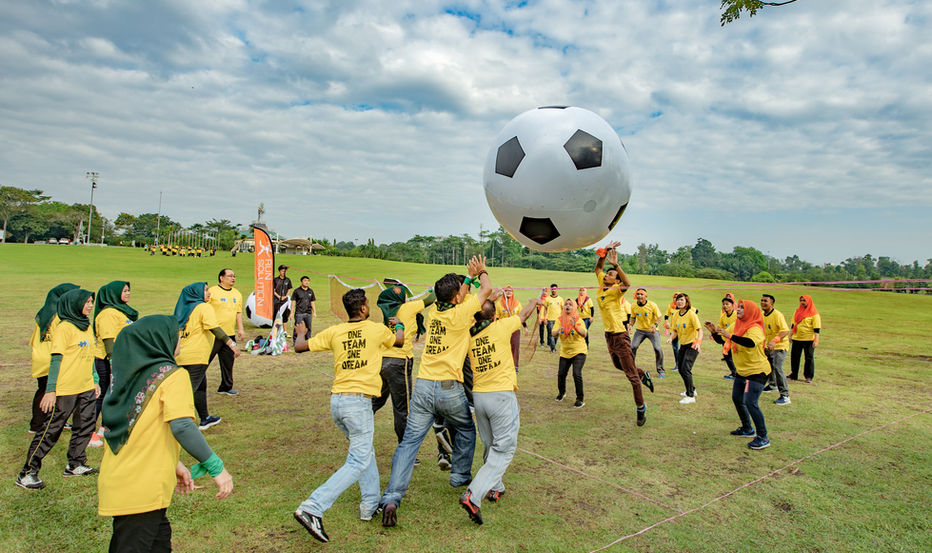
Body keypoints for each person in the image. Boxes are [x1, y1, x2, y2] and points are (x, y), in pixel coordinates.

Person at [98, 315, 234, 552]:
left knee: (160, 541)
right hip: (142, 488)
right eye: (177, 336)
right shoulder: (172, 375)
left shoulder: (128, 377)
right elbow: (182, 426)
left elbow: (140, 430)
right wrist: (216, 467)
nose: (180, 340)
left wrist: (175, 463)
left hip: (122, 481)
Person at [379, 256, 492, 528]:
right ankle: (459, 476)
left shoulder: (437, 312)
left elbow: (460, 296)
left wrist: (466, 280)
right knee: (466, 430)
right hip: (448, 388)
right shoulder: (460, 314)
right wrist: (481, 272)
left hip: (423, 386)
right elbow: (485, 291)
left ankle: (392, 499)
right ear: (456, 299)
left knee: (408, 443)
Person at [293, 289, 404, 542]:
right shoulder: (376, 330)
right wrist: (400, 325)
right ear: (364, 309)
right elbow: (399, 341)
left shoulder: (335, 331)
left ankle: (369, 505)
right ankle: (313, 507)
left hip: (338, 403)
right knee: (357, 460)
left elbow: (300, 347)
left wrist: (301, 334)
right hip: (358, 403)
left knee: (364, 453)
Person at [459, 293, 539, 525]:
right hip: (501, 396)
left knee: (491, 443)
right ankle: (473, 496)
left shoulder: (470, 335)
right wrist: (534, 301)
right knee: (504, 449)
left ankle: (496, 486)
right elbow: (523, 314)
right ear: (494, 316)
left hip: (480, 397)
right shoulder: (501, 326)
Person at [17, 288, 100, 490]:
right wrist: (51, 390)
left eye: (91, 302)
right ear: (74, 304)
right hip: (66, 388)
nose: (90, 306)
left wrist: (95, 379)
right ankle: (28, 473)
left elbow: (90, 357)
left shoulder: (86, 326)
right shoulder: (64, 328)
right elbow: (56, 359)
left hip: (86, 386)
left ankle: (76, 463)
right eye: (87, 302)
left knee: (86, 425)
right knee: (51, 430)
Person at [595, 242, 652, 426]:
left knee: (631, 376)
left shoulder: (616, 291)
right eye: (607, 274)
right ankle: (643, 374)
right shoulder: (602, 284)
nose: (606, 276)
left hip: (620, 336)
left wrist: (616, 265)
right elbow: (598, 268)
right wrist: (604, 251)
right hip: (609, 336)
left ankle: (641, 408)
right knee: (619, 366)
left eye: (611, 275)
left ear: (616, 280)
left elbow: (627, 284)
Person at [705, 300, 772, 449]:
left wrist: (730, 336)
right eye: (739, 307)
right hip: (742, 371)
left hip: (757, 371)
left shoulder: (755, 328)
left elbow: (750, 343)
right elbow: (721, 339)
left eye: (742, 308)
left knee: (750, 402)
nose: (739, 309)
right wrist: (714, 331)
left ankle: (763, 437)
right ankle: (747, 429)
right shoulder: (736, 325)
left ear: (750, 311)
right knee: (737, 398)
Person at [174, 282, 240, 430]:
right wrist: (232, 345)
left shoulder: (182, 309)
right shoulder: (204, 307)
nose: (209, 293)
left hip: (181, 356)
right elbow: (215, 328)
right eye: (205, 290)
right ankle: (173, 422)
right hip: (197, 356)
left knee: (200, 387)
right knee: (187, 391)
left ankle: (205, 418)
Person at [373, 283, 433, 446]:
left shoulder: (388, 312)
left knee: (375, 400)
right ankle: (405, 449)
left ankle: (356, 426)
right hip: (400, 362)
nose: (406, 297)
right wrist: (433, 290)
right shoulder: (408, 308)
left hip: (383, 360)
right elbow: (431, 300)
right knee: (403, 409)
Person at [89, 281, 139, 447]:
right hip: (105, 360)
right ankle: (89, 433)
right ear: (113, 294)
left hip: (118, 359)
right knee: (101, 395)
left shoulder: (120, 311)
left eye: (128, 290)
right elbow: (108, 340)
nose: (128, 294)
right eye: (124, 291)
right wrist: (113, 362)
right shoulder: (108, 313)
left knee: (112, 394)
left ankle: (105, 426)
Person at [28, 283, 78, 434]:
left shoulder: (43, 313)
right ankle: (40, 425)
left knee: (43, 390)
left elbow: (34, 340)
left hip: (41, 358)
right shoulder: (61, 316)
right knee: (51, 392)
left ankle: (39, 424)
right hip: (53, 358)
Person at [208, 269, 245, 396]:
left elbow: (238, 313)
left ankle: (226, 387)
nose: (233, 278)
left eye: (234, 276)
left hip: (229, 333)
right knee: (204, 361)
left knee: (228, 362)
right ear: (221, 278)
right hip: (214, 333)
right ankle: (193, 384)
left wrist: (240, 329)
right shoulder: (212, 291)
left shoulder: (237, 294)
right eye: (229, 276)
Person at [553, 298, 588, 408]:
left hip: (579, 351)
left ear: (574, 307)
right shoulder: (559, 320)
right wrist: (557, 332)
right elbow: (553, 333)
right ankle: (561, 393)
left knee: (576, 373)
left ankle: (580, 399)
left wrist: (575, 326)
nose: (568, 306)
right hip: (565, 352)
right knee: (561, 374)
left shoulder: (578, 319)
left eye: (570, 304)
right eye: (566, 305)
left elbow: (584, 334)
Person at [668, 292, 702, 404]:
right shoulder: (676, 315)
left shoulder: (692, 314)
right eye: (678, 300)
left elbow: (699, 330)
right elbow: (675, 331)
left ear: (687, 302)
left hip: (693, 344)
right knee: (681, 369)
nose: (679, 302)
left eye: (682, 300)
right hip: (683, 345)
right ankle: (692, 389)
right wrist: (671, 338)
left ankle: (690, 396)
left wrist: (698, 342)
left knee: (685, 369)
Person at [761, 294, 791, 405]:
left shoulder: (777, 315)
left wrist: (775, 340)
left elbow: (785, 331)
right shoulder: (761, 315)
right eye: (762, 300)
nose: (763, 303)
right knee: (769, 366)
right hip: (768, 346)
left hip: (780, 346)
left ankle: (785, 396)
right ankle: (772, 385)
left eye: (766, 301)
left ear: (772, 303)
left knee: (778, 368)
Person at [629, 288, 665, 378]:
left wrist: (655, 325)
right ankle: (630, 368)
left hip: (652, 330)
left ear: (646, 296)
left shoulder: (652, 305)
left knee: (657, 348)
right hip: (640, 330)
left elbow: (659, 317)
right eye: (638, 294)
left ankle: (660, 370)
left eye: (642, 294)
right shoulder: (633, 306)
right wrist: (630, 325)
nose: (639, 296)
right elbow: (633, 318)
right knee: (633, 347)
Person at [789, 295, 821, 383]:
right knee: (794, 357)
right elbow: (793, 324)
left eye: (804, 300)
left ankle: (808, 376)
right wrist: (790, 335)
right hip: (797, 338)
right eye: (801, 300)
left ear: (809, 301)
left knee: (809, 358)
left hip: (809, 339)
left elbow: (817, 329)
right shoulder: (797, 311)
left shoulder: (814, 314)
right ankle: (794, 374)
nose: (802, 302)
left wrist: (816, 340)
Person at [496, 286, 523, 372]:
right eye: (506, 291)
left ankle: (515, 366)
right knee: (503, 347)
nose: (508, 293)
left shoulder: (517, 304)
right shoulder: (499, 304)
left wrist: (525, 328)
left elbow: (521, 316)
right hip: (502, 329)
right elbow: (496, 317)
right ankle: (502, 366)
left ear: (513, 292)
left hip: (515, 329)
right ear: (503, 292)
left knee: (515, 347)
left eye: (510, 291)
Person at [718, 294, 738, 380]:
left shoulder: (736, 315)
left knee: (734, 357)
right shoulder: (723, 316)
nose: (725, 306)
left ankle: (737, 373)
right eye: (723, 304)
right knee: (727, 356)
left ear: (733, 305)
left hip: (734, 340)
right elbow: (719, 327)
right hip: (726, 339)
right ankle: (734, 373)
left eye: (727, 304)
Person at [291, 276, 317, 342]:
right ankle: (296, 342)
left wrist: (314, 312)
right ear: (301, 282)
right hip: (299, 313)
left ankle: (308, 341)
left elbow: (312, 302)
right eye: (305, 280)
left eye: (308, 281)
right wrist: (291, 312)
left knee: (308, 328)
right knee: (298, 327)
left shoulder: (310, 291)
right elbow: (293, 302)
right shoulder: (297, 291)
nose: (306, 282)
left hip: (308, 313)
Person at [543, 284, 564, 353]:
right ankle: (553, 348)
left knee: (557, 334)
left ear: (557, 289)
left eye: (555, 289)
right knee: (551, 334)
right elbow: (545, 309)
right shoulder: (547, 299)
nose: (553, 290)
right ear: (550, 290)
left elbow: (563, 309)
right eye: (552, 289)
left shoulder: (560, 299)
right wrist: (545, 318)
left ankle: (553, 345)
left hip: (558, 320)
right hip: (550, 319)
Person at [662, 293, 680, 372]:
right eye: (675, 297)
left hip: (683, 330)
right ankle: (677, 365)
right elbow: (666, 315)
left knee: (684, 348)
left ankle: (683, 365)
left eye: (678, 298)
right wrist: (667, 322)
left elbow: (695, 311)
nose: (676, 299)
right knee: (675, 348)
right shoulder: (671, 306)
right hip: (673, 330)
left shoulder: (685, 307)